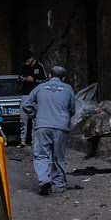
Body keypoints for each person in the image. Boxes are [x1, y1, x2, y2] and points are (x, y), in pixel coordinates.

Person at [26, 65, 79, 195]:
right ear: (64, 78)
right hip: (61, 127)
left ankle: (44, 179)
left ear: (49, 75)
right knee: (58, 157)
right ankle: (59, 185)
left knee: (41, 155)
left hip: (42, 125)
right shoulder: (68, 89)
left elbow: (26, 105)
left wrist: (35, 115)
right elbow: (72, 110)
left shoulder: (39, 87)